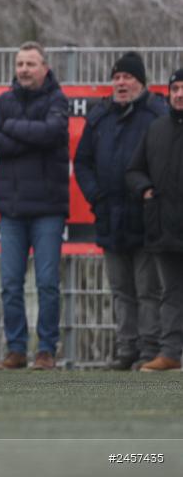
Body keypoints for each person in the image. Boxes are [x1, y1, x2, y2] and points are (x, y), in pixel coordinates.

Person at [0, 41, 69, 370]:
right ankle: (16, 350)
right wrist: (28, 139)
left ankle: (46, 350)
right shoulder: (5, 101)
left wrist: (11, 130)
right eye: (20, 64)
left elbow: (53, 133)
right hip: (12, 209)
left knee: (46, 283)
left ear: (45, 67)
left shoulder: (58, 100)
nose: (24, 70)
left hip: (48, 210)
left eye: (31, 64)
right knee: (10, 284)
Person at [75, 52, 165, 370]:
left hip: (146, 217)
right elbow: (82, 161)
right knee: (120, 289)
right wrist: (96, 197)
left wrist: (153, 196)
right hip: (109, 216)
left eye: (127, 77)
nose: (121, 83)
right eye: (116, 78)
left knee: (148, 289)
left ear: (141, 82)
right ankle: (126, 349)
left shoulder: (158, 114)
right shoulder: (99, 117)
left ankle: (149, 349)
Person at [126, 68, 183, 372]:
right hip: (164, 229)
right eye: (175, 88)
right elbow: (133, 170)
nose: (179, 94)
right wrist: (145, 190)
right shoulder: (156, 129)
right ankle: (171, 353)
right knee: (171, 294)